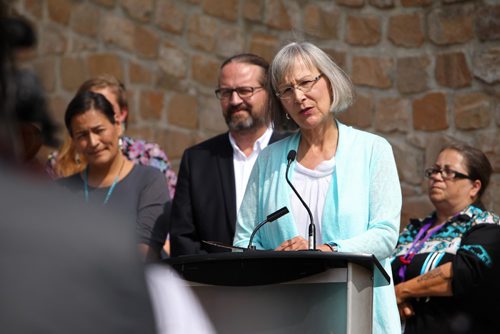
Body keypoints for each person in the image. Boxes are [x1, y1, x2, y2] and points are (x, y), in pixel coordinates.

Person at [232, 42, 402, 333]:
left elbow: (385, 234)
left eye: (306, 82)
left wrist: (325, 251)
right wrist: (278, 258)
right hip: (288, 316)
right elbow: (243, 244)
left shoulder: (373, 150)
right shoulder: (270, 160)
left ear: (329, 81)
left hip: (360, 315)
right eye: (286, 90)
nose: (299, 96)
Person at [169, 53, 287, 256]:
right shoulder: (197, 161)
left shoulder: (292, 151)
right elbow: (183, 238)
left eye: (244, 90)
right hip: (214, 284)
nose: (234, 100)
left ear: (269, 93)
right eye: (225, 92)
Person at [390, 143, 500, 334]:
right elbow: (382, 273)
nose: (436, 177)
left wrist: (400, 292)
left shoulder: (486, 225)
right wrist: (391, 300)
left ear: (474, 187)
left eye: (448, 172)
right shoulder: (413, 230)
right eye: (434, 170)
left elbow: (465, 272)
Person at [57, 90, 170, 261]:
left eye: (99, 130)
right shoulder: (61, 191)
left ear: (117, 124)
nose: (93, 142)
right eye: (82, 135)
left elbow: (146, 254)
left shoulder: (149, 181)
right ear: (73, 141)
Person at [46, 74, 177, 199]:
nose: (93, 142)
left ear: (121, 115)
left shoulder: (149, 155)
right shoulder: (58, 162)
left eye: (104, 106)